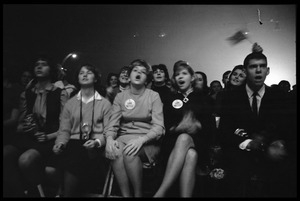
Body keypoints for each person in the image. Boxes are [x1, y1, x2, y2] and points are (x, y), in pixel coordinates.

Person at [219, 43, 295, 197]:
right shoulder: (230, 97)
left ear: (268, 71)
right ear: (246, 71)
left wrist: (277, 143)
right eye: (253, 67)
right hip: (241, 151)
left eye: (262, 66)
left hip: (271, 150)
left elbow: (288, 128)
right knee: (237, 172)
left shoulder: (279, 96)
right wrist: (247, 143)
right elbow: (224, 131)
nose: (258, 70)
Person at [3, 55, 68, 197]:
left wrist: (48, 136)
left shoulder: (60, 93)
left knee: (26, 160)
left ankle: (38, 193)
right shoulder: (27, 93)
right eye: (37, 64)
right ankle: (20, 192)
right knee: (6, 153)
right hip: (29, 137)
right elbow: (20, 123)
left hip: (50, 138)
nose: (39, 67)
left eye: (43, 64)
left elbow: (65, 124)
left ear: (50, 69)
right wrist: (24, 126)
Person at [154, 60, 215, 197]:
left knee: (184, 138)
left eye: (184, 73)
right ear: (174, 79)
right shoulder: (170, 99)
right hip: (173, 143)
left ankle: (161, 193)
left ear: (192, 77)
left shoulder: (203, 98)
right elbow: (166, 125)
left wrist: (197, 125)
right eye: (177, 74)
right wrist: (179, 127)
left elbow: (210, 128)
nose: (180, 77)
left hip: (199, 141)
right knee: (190, 154)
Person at [104, 59, 165, 197]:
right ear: (130, 75)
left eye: (143, 72)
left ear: (146, 79)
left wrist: (141, 140)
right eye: (135, 71)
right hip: (124, 137)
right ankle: (126, 195)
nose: (139, 74)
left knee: (129, 153)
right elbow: (112, 124)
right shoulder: (120, 96)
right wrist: (108, 139)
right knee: (115, 150)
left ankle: (138, 194)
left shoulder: (153, 96)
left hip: (147, 140)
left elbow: (159, 127)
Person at [52, 63, 112, 197]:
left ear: (96, 79)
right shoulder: (70, 103)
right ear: (78, 78)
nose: (84, 75)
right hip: (73, 146)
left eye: (89, 72)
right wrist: (60, 143)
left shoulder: (104, 103)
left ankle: (64, 193)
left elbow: (108, 130)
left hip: (95, 146)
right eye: (81, 73)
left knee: (76, 151)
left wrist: (97, 142)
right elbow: (64, 130)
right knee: (72, 149)